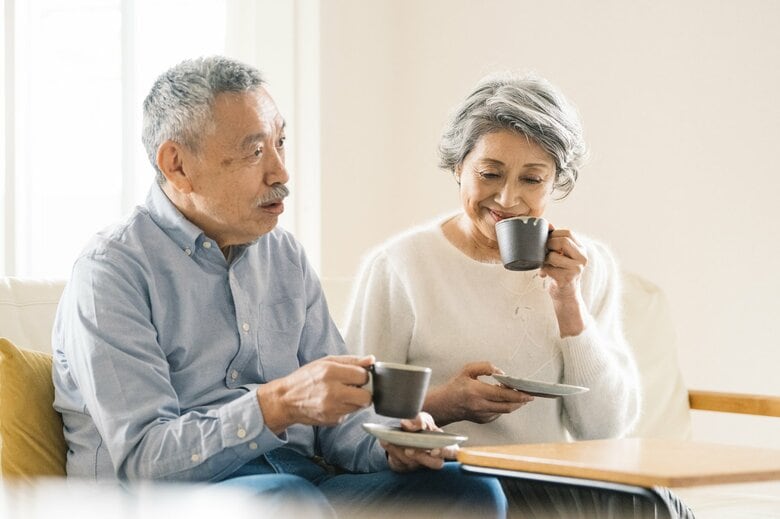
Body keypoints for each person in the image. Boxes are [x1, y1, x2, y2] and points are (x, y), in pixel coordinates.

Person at [51, 56, 507, 518]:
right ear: (177, 165)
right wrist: (276, 405)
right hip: (170, 503)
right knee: (288, 499)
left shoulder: (284, 255)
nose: (281, 173)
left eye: (280, 144)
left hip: (302, 487)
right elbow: (145, 462)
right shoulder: (111, 271)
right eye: (254, 152)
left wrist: (393, 445)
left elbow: (342, 428)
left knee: (470, 490)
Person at [344, 72, 693, 518]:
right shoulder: (402, 265)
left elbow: (605, 429)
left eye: (532, 179)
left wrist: (568, 301)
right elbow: (353, 420)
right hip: (452, 481)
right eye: (490, 173)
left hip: (549, 477)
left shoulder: (586, 266)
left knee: (658, 507)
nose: (507, 198)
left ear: (555, 183)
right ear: (458, 167)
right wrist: (445, 404)